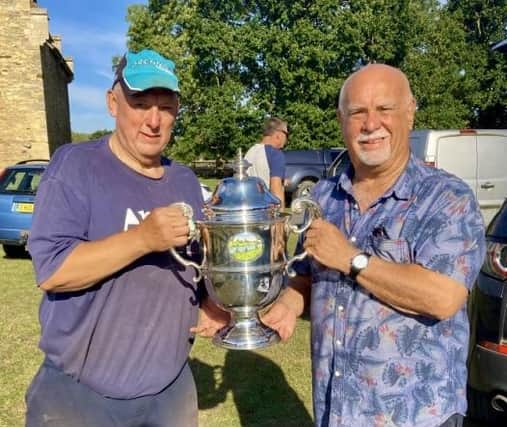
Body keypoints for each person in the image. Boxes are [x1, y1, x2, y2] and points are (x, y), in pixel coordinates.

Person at [261, 64, 486, 427]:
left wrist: (351, 259)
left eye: (385, 109)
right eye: (357, 112)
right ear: (341, 119)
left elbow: (442, 297)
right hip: (335, 410)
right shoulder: (323, 196)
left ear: (410, 112)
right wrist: (288, 302)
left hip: (415, 416)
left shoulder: (446, 197)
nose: (370, 124)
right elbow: (306, 276)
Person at [25, 48, 226, 427]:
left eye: (165, 107)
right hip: (79, 395)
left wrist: (211, 303)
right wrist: (142, 238)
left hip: (170, 389)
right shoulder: (75, 165)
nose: (153, 120)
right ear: (113, 103)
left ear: (176, 112)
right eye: (140, 103)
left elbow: (193, 266)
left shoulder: (184, 180)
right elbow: (52, 271)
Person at [245, 117, 289, 208]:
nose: (287, 139)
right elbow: (276, 189)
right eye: (286, 134)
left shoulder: (250, 151)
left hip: (248, 210)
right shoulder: (276, 154)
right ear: (278, 135)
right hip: (265, 213)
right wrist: (280, 219)